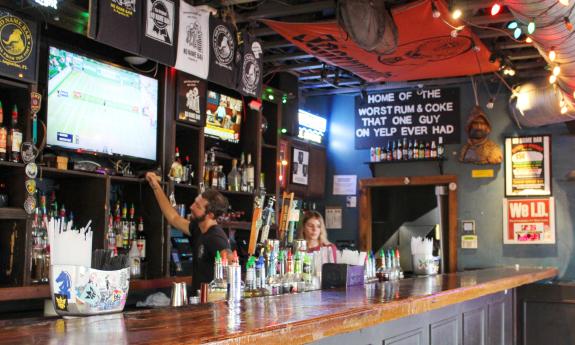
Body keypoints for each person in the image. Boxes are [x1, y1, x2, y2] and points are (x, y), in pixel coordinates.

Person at [145, 172, 230, 295]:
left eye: (198, 206)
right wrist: (155, 186)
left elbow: (229, 261)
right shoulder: (198, 228)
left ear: (210, 215)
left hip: (211, 306)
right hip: (199, 301)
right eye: (195, 202)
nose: (191, 207)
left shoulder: (215, 237)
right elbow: (173, 218)